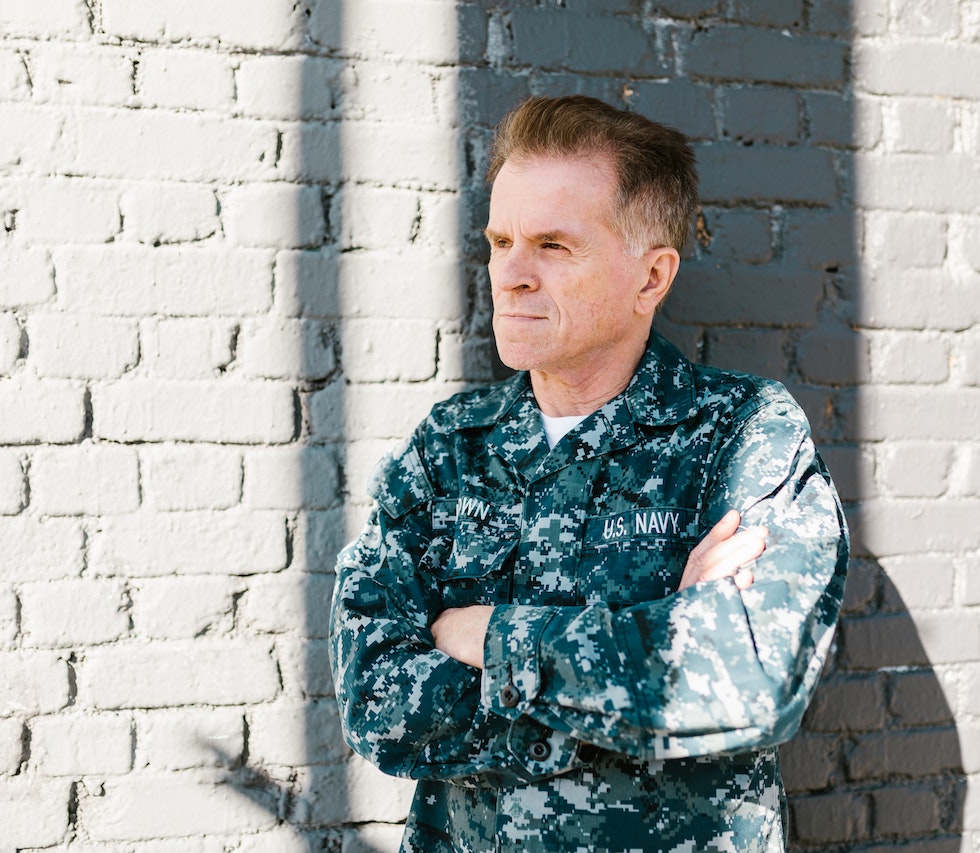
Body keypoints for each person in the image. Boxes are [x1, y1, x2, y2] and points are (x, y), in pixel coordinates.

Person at [330, 94, 849, 852]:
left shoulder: (740, 437)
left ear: (650, 278)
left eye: (552, 244)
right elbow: (375, 700)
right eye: (500, 239)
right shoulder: (448, 448)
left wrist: (487, 635)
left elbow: (747, 679)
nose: (510, 273)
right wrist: (645, 644)